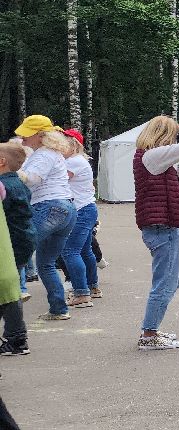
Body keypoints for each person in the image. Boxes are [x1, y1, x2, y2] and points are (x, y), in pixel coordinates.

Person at [132, 115, 179, 350]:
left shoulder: (150, 156)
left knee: (172, 281)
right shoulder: (153, 156)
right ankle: (149, 334)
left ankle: (151, 330)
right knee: (165, 283)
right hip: (161, 226)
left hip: (161, 225)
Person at [14, 116, 77, 322]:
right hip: (65, 210)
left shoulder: (44, 155)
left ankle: (16, 289)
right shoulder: (52, 153)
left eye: (26, 133)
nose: (21, 137)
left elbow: (32, 179)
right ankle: (58, 309)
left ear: (40, 135)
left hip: (49, 207)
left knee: (18, 247)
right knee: (45, 263)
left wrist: (12, 175)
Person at [59, 131, 99, 308]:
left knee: (70, 252)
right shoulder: (79, 160)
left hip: (81, 211)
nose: (58, 147)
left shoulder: (73, 162)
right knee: (84, 251)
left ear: (73, 144)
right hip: (87, 209)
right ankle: (92, 287)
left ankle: (81, 293)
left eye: (62, 143)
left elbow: (57, 180)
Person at [0, 144, 33, 356]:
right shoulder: (18, 183)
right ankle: (16, 337)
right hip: (22, 240)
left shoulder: (4, 186)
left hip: (10, 243)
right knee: (8, 290)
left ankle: (17, 338)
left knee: (9, 291)